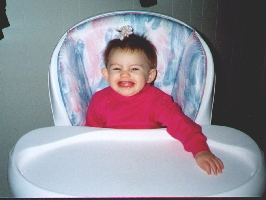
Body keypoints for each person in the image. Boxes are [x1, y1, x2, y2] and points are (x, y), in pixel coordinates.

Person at [85, 26, 224, 175]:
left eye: (134, 69)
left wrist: (200, 150)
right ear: (106, 75)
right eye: (117, 69)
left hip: (152, 161)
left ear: (150, 76)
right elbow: (90, 136)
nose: (125, 74)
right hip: (112, 160)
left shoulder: (157, 102)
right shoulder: (99, 101)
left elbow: (182, 125)